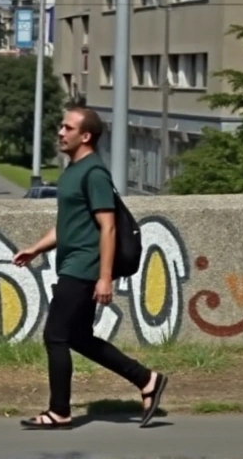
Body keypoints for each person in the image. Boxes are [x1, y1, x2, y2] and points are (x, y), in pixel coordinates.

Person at [15, 107, 168, 430]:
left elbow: (108, 227)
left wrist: (104, 278)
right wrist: (35, 248)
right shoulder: (73, 172)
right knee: (80, 338)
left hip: (85, 268)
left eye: (67, 127)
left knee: (55, 336)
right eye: (61, 126)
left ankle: (59, 411)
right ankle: (147, 380)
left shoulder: (94, 173)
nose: (60, 131)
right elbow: (68, 226)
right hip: (73, 263)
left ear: (85, 136)